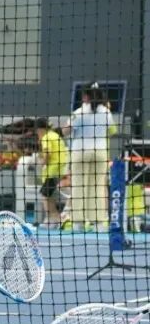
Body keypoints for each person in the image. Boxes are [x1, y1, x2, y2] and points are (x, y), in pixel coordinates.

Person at [66, 84, 114, 231]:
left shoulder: (78, 112)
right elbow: (111, 130)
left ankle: (78, 223)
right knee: (98, 187)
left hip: (80, 152)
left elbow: (66, 131)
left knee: (78, 186)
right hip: (100, 152)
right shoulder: (106, 112)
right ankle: (98, 223)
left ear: (85, 96)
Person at [34, 118, 70, 228]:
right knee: (48, 195)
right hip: (60, 170)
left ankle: (54, 218)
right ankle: (53, 218)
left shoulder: (46, 137)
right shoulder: (55, 135)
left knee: (45, 195)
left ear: (40, 129)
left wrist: (42, 162)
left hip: (52, 171)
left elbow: (48, 153)